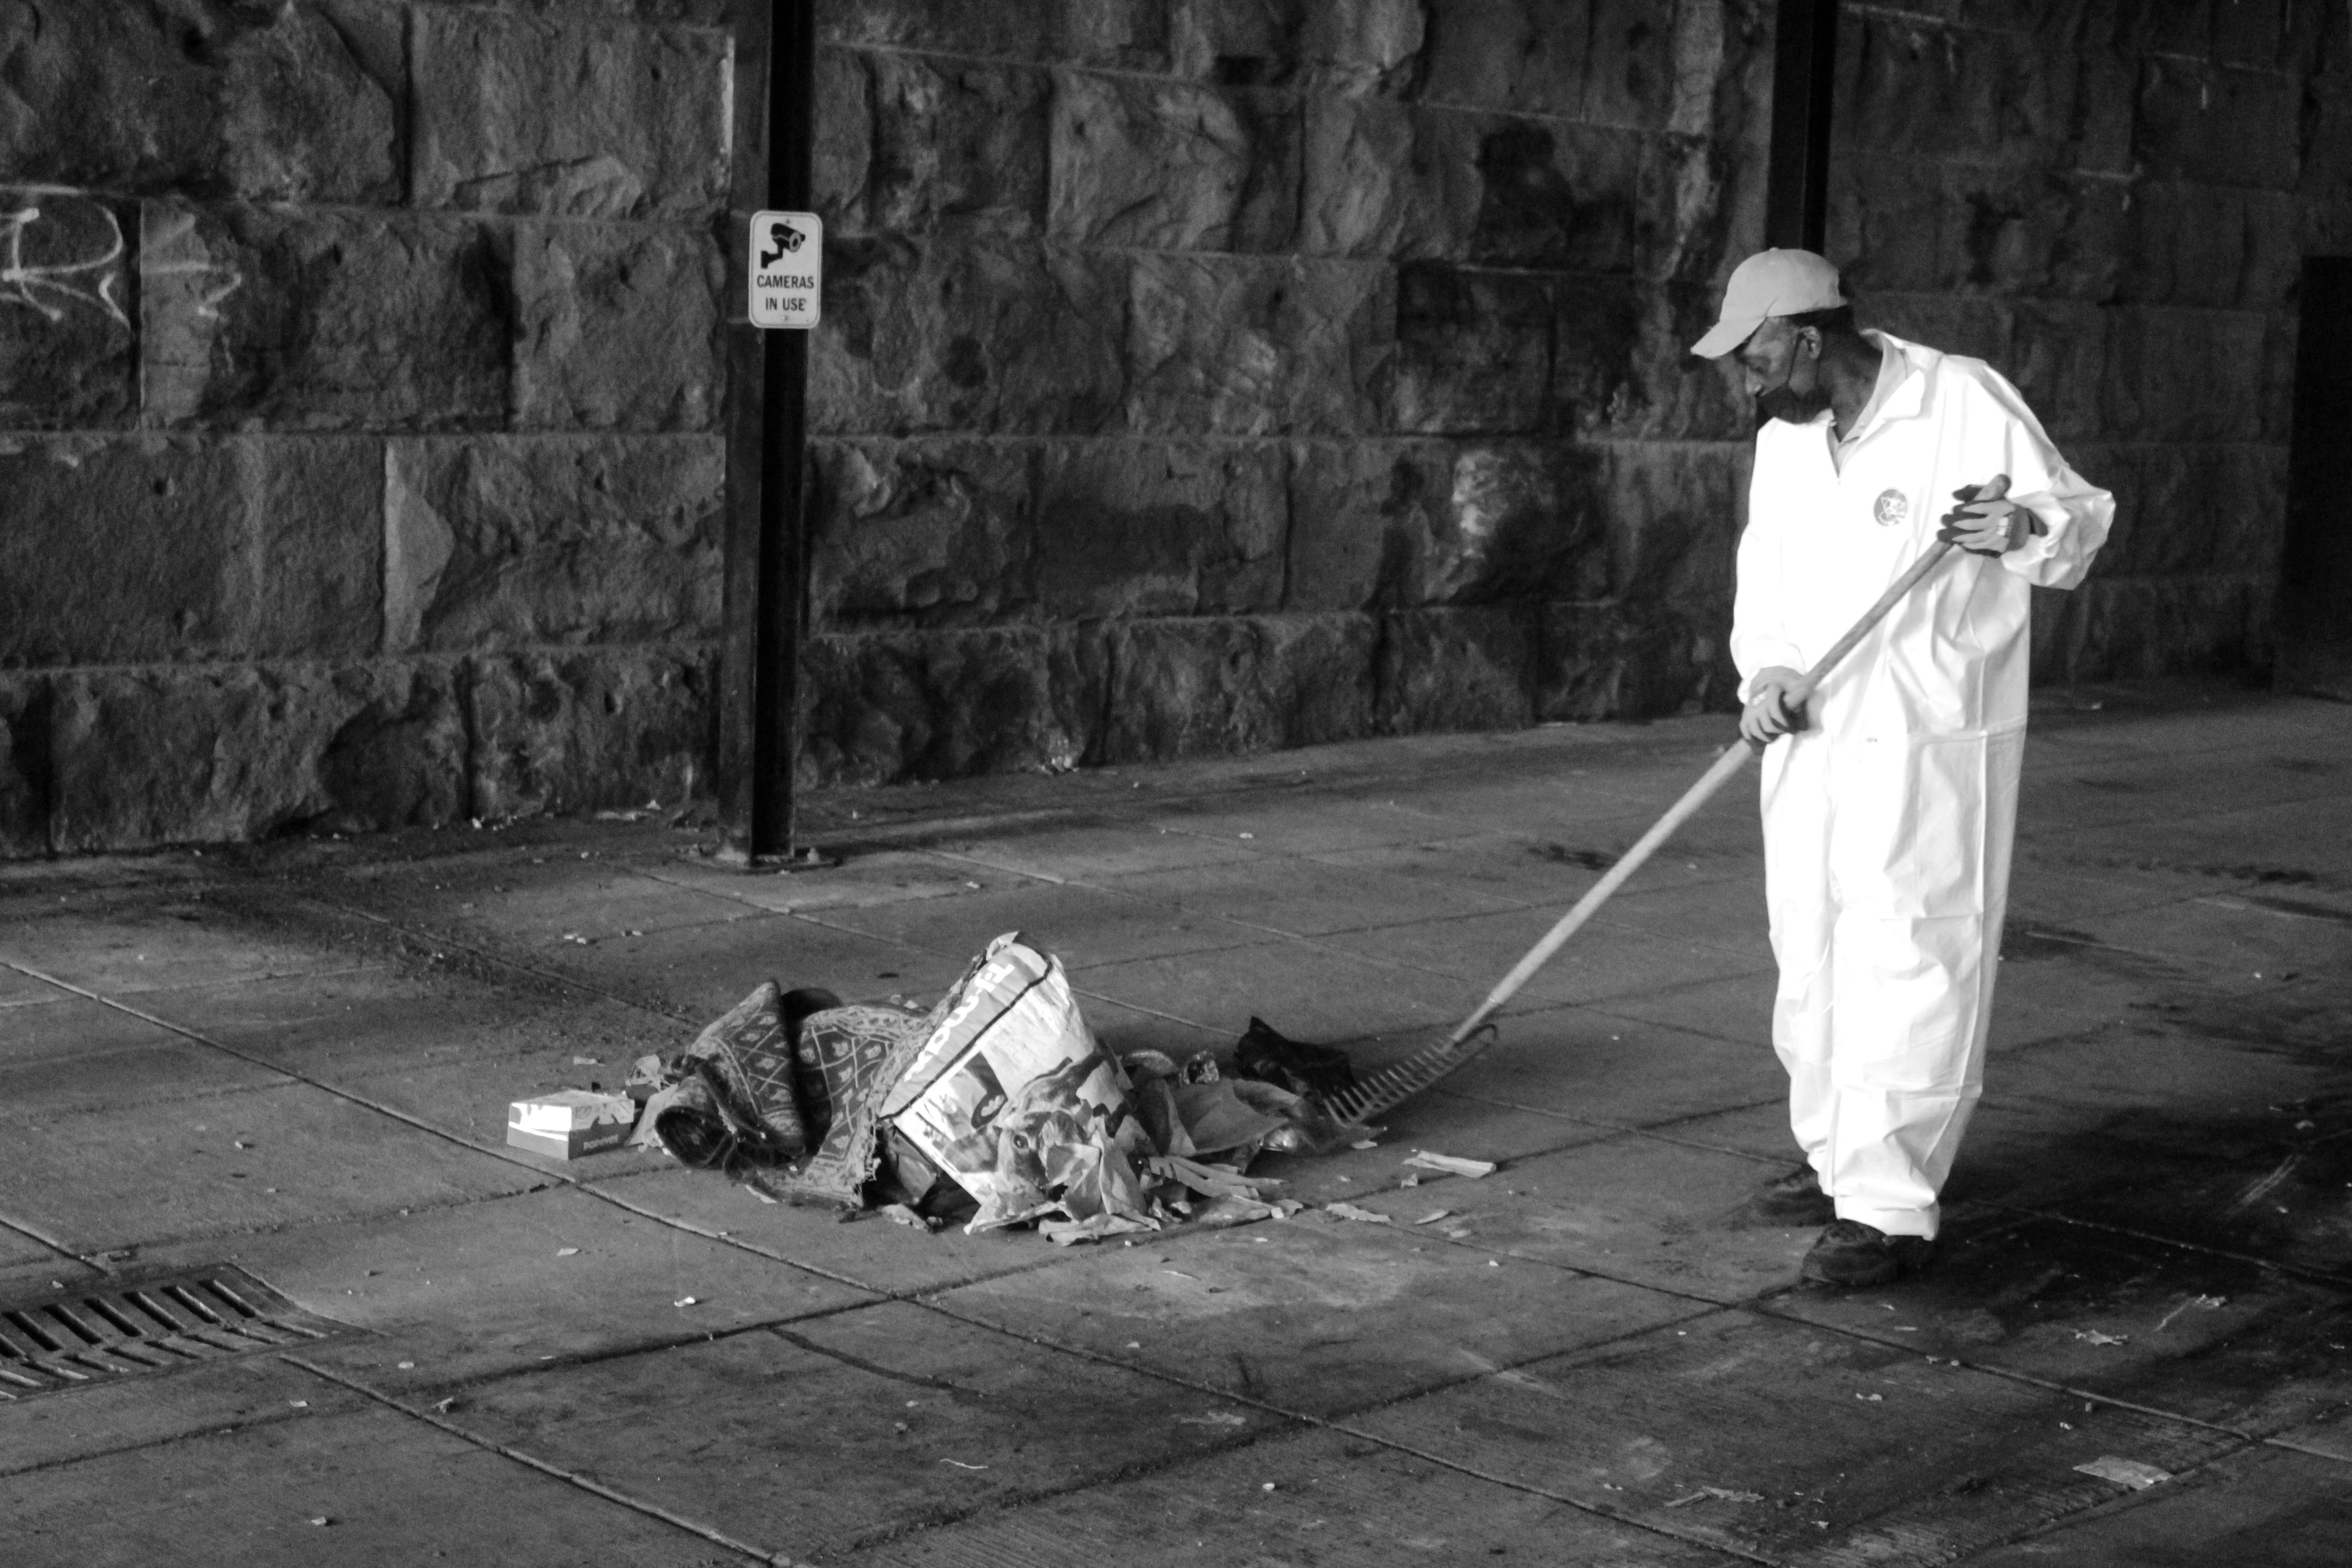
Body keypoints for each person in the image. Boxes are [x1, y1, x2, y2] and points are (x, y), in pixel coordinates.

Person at [1691, 249, 2114, 1286]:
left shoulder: (1961, 398)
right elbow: (1767, 573)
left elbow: (2077, 520)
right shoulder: (1788, 440)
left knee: (1914, 954)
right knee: (1813, 951)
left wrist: (2019, 529)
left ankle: (1888, 1204)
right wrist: (1769, 672)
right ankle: (1836, 1153)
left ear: (1807, 336)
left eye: (1754, 359)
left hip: (1928, 735)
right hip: (1812, 733)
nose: (1747, 382)